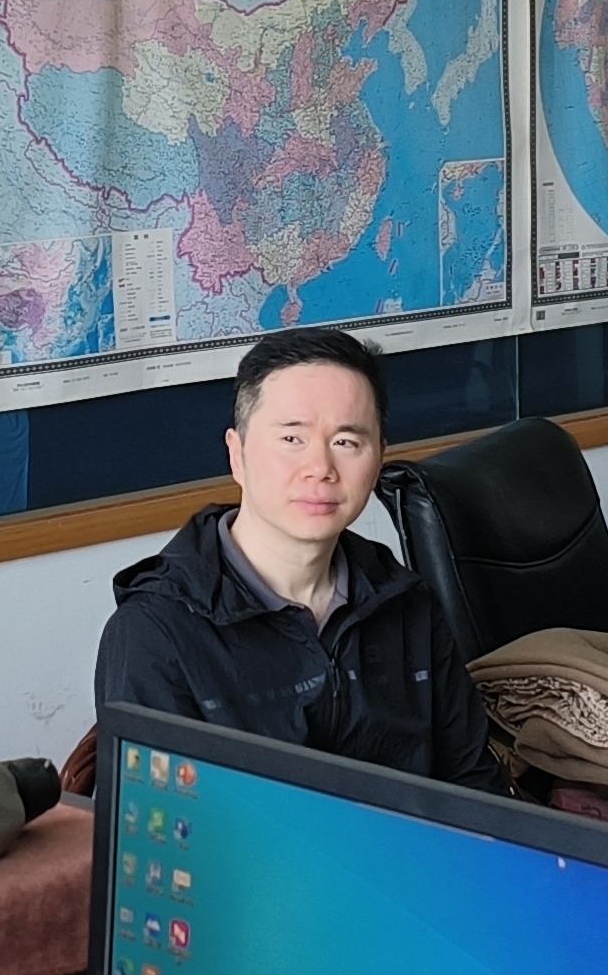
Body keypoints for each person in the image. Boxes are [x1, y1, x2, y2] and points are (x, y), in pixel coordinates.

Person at [91, 326, 504, 790]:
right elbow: (163, 821)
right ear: (237, 455)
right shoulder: (155, 632)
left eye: (346, 442)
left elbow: (473, 783)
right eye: (292, 439)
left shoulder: (406, 602)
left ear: (378, 458)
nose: (321, 469)